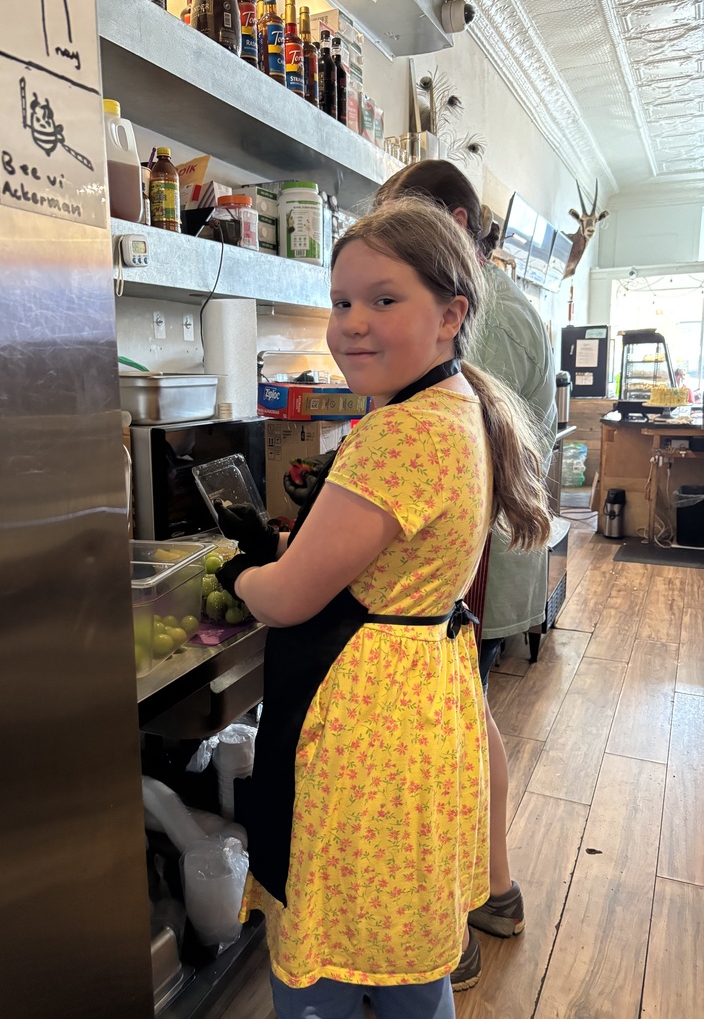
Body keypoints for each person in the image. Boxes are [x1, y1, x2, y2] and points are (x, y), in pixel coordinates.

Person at [214, 197, 550, 1019]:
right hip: (419, 696)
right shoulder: (453, 407)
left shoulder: (399, 434)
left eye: (382, 299)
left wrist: (237, 574)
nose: (352, 324)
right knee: (403, 947)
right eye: (341, 302)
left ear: (450, 314)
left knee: (325, 953)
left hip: (364, 721)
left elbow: (291, 598)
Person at [376, 161, 558, 990]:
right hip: (477, 554)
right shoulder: (506, 304)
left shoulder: (484, 314)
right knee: (472, 723)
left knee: (449, 741)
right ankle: (492, 891)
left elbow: (453, 440)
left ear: (453, 220)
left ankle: (453, 926)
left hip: (472, 559)